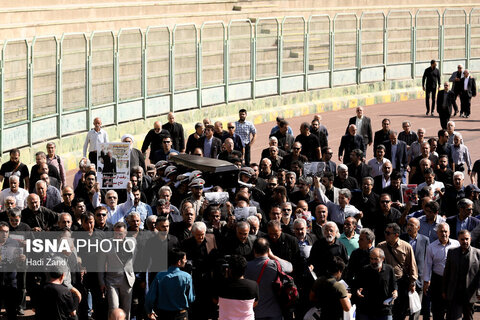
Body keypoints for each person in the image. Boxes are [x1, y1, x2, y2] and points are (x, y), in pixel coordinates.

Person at [245, 238, 292, 320]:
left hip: (254, 312)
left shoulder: (246, 266)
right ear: (268, 250)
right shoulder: (275, 265)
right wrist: (273, 256)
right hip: (274, 312)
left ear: (254, 250)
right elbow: (290, 267)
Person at [377, 223, 418, 320]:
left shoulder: (406, 247)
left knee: (401, 310)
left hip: (401, 282)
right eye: (385, 232)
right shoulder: (380, 246)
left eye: (388, 233)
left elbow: (412, 265)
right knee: (385, 309)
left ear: (396, 235)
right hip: (385, 283)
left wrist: (412, 282)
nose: (385, 234)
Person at [98, 222, 136, 319]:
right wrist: (101, 282)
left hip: (128, 280)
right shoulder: (106, 244)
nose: (118, 236)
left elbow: (134, 260)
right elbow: (101, 264)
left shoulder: (133, 242)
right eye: (116, 233)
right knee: (114, 309)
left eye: (120, 234)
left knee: (127, 310)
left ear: (125, 233)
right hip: (112, 281)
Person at [423, 223, 459, 320]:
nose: (444, 234)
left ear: (449, 232)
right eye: (441, 231)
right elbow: (428, 264)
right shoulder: (431, 247)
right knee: (438, 310)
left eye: (445, 231)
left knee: (452, 310)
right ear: (437, 233)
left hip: (453, 281)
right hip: (438, 281)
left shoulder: (456, 244)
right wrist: (426, 281)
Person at [145, 249, 195, 320]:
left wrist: (149, 311)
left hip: (163, 314)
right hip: (181, 314)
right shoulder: (187, 277)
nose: (186, 261)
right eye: (185, 260)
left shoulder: (159, 276)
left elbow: (150, 298)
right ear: (179, 262)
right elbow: (191, 298)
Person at [443, 230, 480, 320]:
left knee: (468, 317)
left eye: (467, 239)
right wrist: (444, 290)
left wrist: (479, 291)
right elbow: (447, 272)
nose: (465, 241)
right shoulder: (452, 252)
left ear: (470, 239)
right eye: (462, 239)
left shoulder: (478, 253)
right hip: (455, 292)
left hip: (470, 293)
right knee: (455, 317)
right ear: (458, 240)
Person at [352, 247, 397, 320]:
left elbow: (394, 283)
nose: (373, 262)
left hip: (384, 309)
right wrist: (357, 291)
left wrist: (395, 291)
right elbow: (356, 285)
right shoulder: (364, 270)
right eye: (371, 259)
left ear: (383, 258)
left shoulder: (389, 269)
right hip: (367, 310)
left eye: (376, 259)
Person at [400, 218, 429, 320]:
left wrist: (426, 278)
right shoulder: (401, 238)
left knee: (416, 308)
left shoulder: (425, 240)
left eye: (412, 225)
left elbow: (427, 260)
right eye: (408, 225)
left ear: (418, 227)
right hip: (404, 278)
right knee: (402, 309)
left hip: (419, 279)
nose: (409, 227)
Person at [215, 255, 259, 320]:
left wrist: (226, 278)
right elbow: (254, 303)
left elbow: (215, 300)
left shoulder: (220, 284)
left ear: (229, 269)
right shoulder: (253, 285)